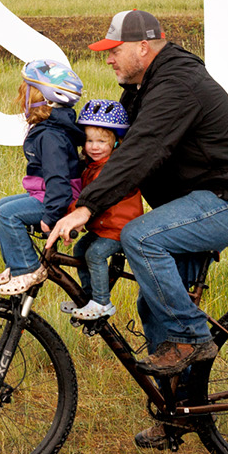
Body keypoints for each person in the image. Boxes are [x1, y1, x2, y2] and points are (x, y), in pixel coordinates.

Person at [43, 9, 228, 450]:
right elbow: (107, 139)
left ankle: (192, 338)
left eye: (115, 51)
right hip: (192, 204)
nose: (108, 59)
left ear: (143, 48)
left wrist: (87, 208)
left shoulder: (175, 85)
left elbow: (140, 151)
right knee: (154, 307)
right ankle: (180, 412)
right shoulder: (141, 87)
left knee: (140, 237)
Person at [0, 59, 85, 296]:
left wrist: (51, 214)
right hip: (47, 194)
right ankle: (15, 265)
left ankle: (28, 268)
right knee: (3, 205)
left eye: (25, 95)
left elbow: (59, 181)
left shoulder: (50, 136)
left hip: (57, 198)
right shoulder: (48, 130)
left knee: (8, 213)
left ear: (42, 100)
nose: (20, 102)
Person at [62, 99, 143, 322]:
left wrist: (70, 214)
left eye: (101, 141)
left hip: (120, 228)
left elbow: (94, 202)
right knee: (80, 250)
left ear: (116, 142)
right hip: (103, 227)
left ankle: (101, 302)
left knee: (94, 254)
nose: (94, 147)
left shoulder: (111, 171)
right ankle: (87, 298)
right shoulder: (92, 166)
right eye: (89, 141)